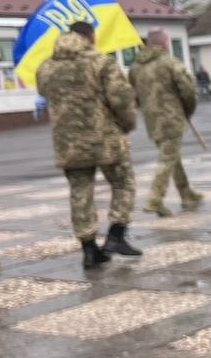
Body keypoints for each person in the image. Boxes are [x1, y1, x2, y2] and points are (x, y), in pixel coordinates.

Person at [36, 21, 141, 268]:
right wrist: (127, 125)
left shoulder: (45, 68)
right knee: (124, 183)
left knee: (80, 191)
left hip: (68, 142)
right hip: (104, 138)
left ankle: (89, 249)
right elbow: (121, 98)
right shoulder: (101, 62)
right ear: (90, 37)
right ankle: (116, 234)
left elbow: (44, 93)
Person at [130, 28, 202, 217]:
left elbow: (134, 94)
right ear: (164, 43)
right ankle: (155, 199)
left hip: (152, 120)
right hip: (171, 117)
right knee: (167, 159)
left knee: (171, 156)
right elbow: (188, 90)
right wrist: (187, 110)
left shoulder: (136, 67)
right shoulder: (169, 62)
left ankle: (186, 193)